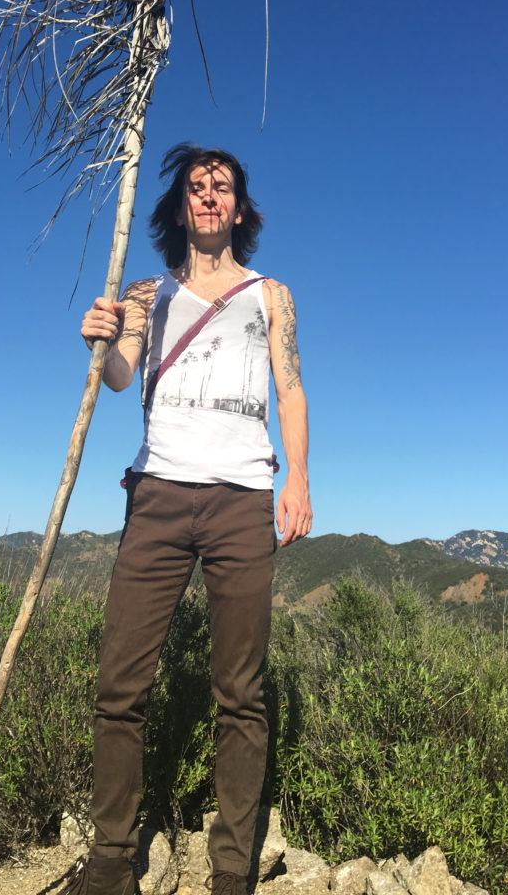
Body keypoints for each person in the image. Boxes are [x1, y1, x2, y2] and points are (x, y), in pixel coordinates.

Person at [68, 143, 311, 895]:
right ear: (180, 208)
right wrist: (100, 339)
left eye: (222, 188)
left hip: (243, 496)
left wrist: (296, 476)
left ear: (239, 208)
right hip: (159, 496)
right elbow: (119, 380)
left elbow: (291, 388)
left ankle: (231, 868)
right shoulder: (147, 294)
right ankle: (112, 861)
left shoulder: (271, 295)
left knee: (240, 689)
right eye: (197, 189)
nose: (209, 198)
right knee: (120, 684)